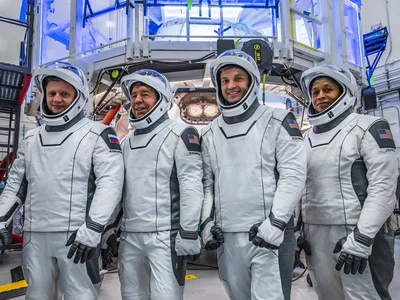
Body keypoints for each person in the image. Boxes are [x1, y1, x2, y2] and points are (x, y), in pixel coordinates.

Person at [0, 62, 124, 300]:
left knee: (81, 295)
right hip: (35, 235)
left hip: (78, 237)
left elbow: (110, 184)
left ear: (78, 97)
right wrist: (2, 219)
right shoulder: (31, 138)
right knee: (37, 295)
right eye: (52, 93)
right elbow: (15, 185)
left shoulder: (98, 133)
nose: (56, 99)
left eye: (64, 94)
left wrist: (94, 228)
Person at [200, 49, 306, 300]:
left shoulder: (279, 119)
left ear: (251, 82)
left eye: (238, 78)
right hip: (226, 236)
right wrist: (206, 224)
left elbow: (293, 174)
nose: (231, 86)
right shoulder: (210, 132)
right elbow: (207, 185)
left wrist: (277, 223)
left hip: (269, 235)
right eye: (225, 80)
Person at [299, 64, 398, 300]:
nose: (320, 96)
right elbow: (297, 187)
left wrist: (363, 238)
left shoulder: (368, 126)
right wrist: (296, 233)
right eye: (315, 92)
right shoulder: (304, 139)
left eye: (327, 90)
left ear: (344, 92)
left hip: (359, 235)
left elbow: (383, 187)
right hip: (315, 236)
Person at [118, 69, 203, 300]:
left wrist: (188, 232)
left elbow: (192, 187)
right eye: (134, 95)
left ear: (162, 99)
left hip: (166, 237)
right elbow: (118, 191)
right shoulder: (125, 143)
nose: (137, 100)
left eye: (145, 94)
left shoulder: (182, 133)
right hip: (129, 236)